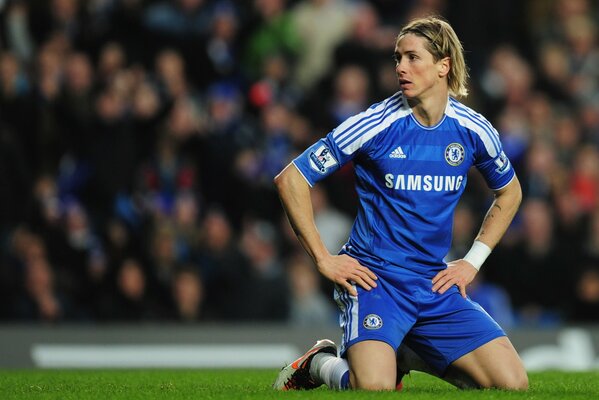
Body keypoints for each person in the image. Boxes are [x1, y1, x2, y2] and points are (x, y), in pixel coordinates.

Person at [272, 16, 527, 391]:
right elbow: (291, 178)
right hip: (376, 281)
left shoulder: (474, 130)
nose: (400, 68)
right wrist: (323, 259)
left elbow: (511, 192)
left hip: (433, 283)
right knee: (374, 388)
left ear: (444, 65)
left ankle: (402, 352)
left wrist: (471, 263)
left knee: (512, 385)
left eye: (412, 58)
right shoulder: (374, 124)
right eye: (397, 58)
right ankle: (320, 365)